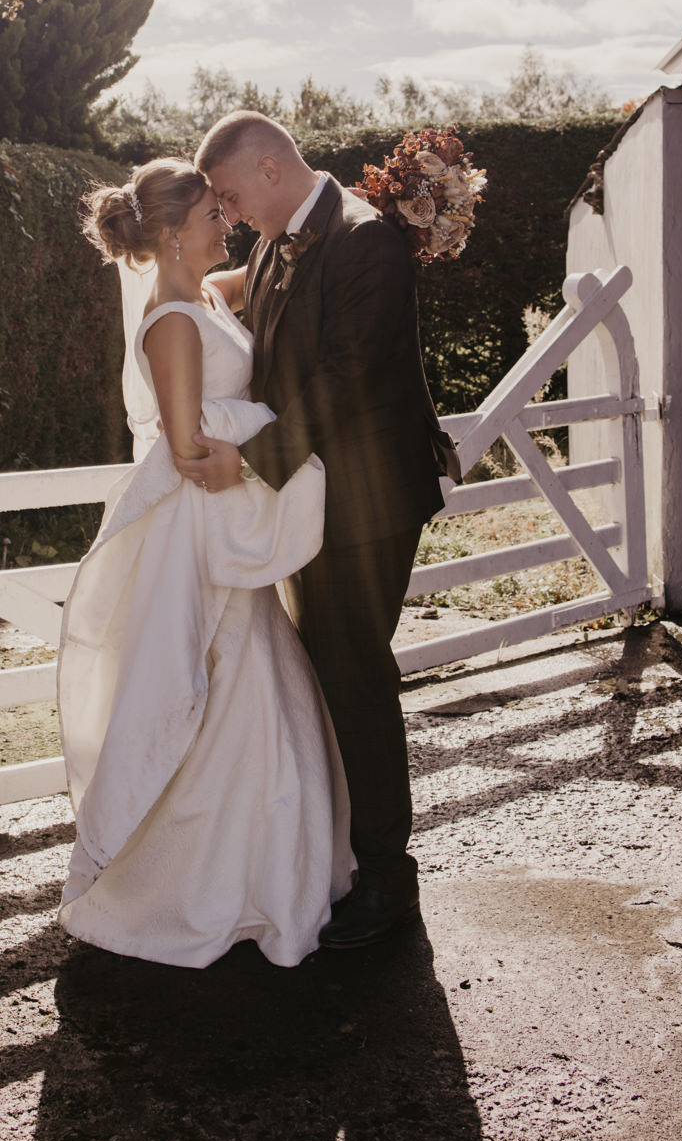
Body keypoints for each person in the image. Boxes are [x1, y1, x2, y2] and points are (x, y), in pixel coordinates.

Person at [56, 157, 353, 968]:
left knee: (253, 688)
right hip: (201, 529)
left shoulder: (200, 298)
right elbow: (188, 442)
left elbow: (260, 289)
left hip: (222, 519)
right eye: (213, 215)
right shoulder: (174, 322)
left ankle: (264, 875)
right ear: (178, 232)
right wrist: (272, 423)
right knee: (210, 687)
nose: (228, 222)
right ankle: (198, 890)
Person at [179, 110, 456, 949]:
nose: (228, 214)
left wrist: (248, 457)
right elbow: (265, 348)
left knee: (356, 673)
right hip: (310, 498)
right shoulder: (272, 245)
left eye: (229, 194)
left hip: (370, 501)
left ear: (269, 170)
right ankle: (340, 860)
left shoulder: (369, 240)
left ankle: (388, 883)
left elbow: (347, 377)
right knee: (327, 671)